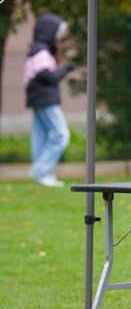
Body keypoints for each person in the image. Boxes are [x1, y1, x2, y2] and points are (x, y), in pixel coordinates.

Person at [24, 13, 75, 188]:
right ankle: (40, 169)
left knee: (41, 137)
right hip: (45, 99)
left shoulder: (38, 49)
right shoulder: (41, 50)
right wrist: (65, 70)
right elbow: (46, 76)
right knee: (61, 135)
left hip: (38, 99)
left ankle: (44, 176)